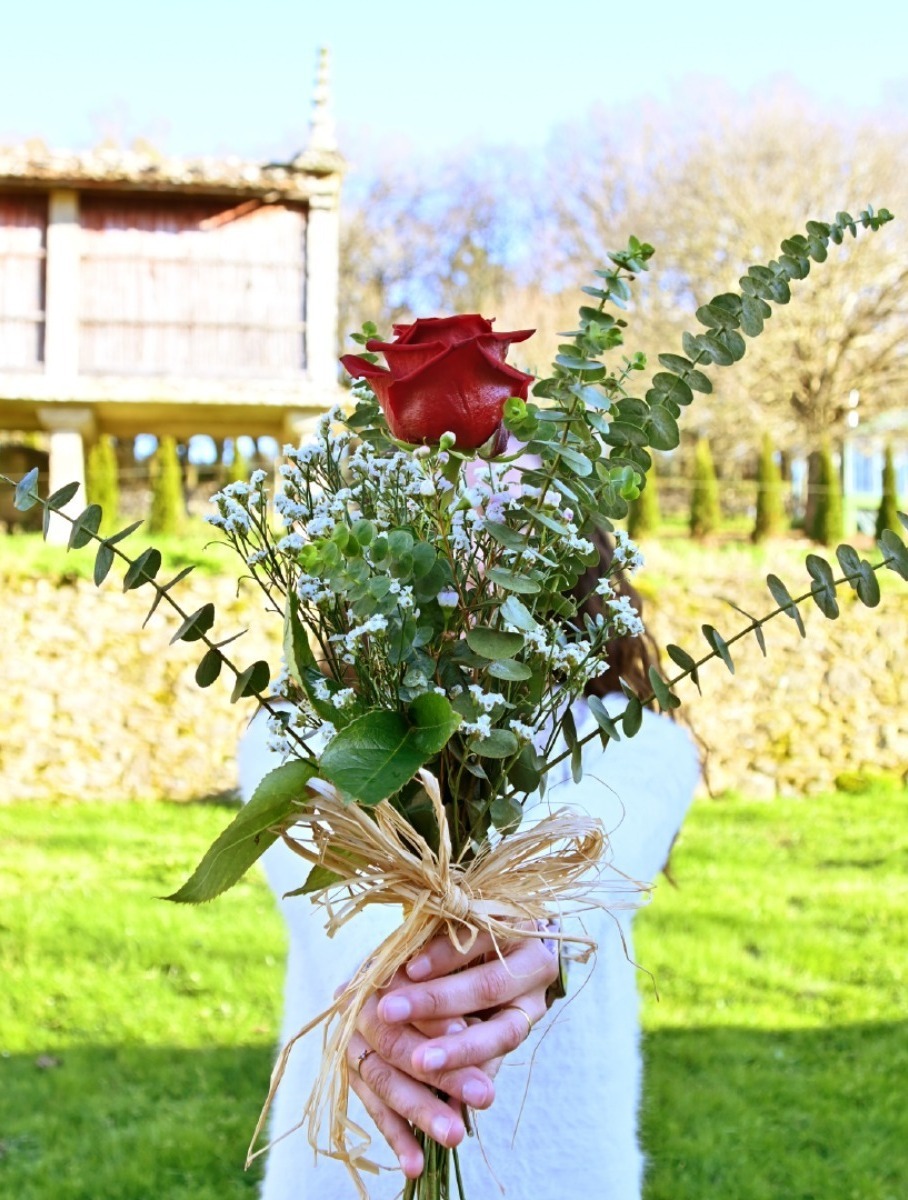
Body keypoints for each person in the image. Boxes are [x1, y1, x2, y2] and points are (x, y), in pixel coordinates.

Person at [238, 535, 700, 1200]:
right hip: (348, 1169)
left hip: (558, 1168)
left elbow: (590, 842)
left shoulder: (636, 744)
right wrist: (392, 999)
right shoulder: (301, 736)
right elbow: (331, 892)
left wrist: (532, 933)